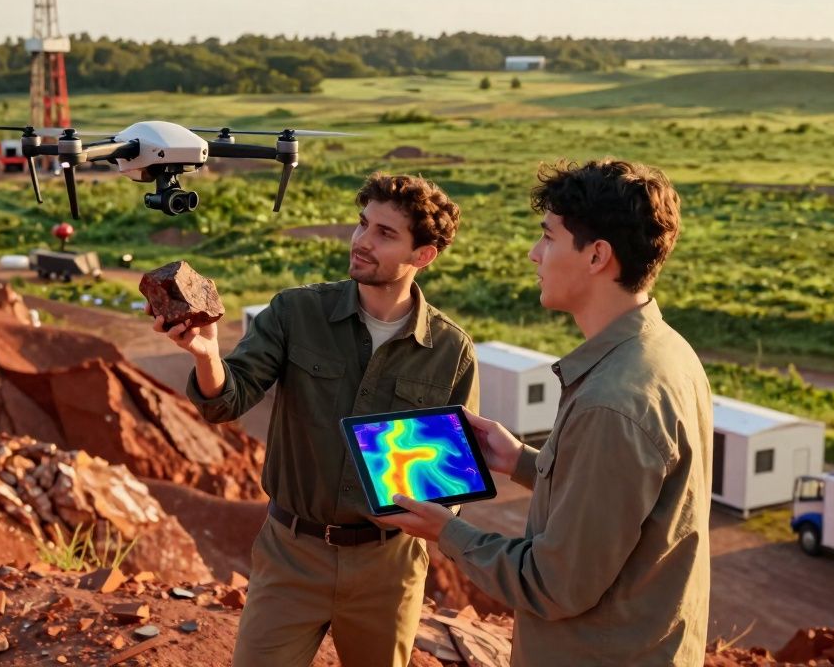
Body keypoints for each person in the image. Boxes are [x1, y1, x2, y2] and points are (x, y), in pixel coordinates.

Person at [385, 158, 713, 666]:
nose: (535, 254)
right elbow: (621, 504)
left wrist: (446, 531)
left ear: (597, 256)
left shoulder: (613, 402)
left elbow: (554, 585)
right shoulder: (667, 352)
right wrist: (520, 460)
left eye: (549, 237)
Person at [161, 173, 479, 667]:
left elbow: (453, 479)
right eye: (362, 224)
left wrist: (427, 514)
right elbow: (227, 400)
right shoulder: (296, 312)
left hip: (387, 567)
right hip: (291, 553)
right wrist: (206, 356)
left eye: (384, 234)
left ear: (423, 256)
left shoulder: (450, 351)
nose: (362, 242)